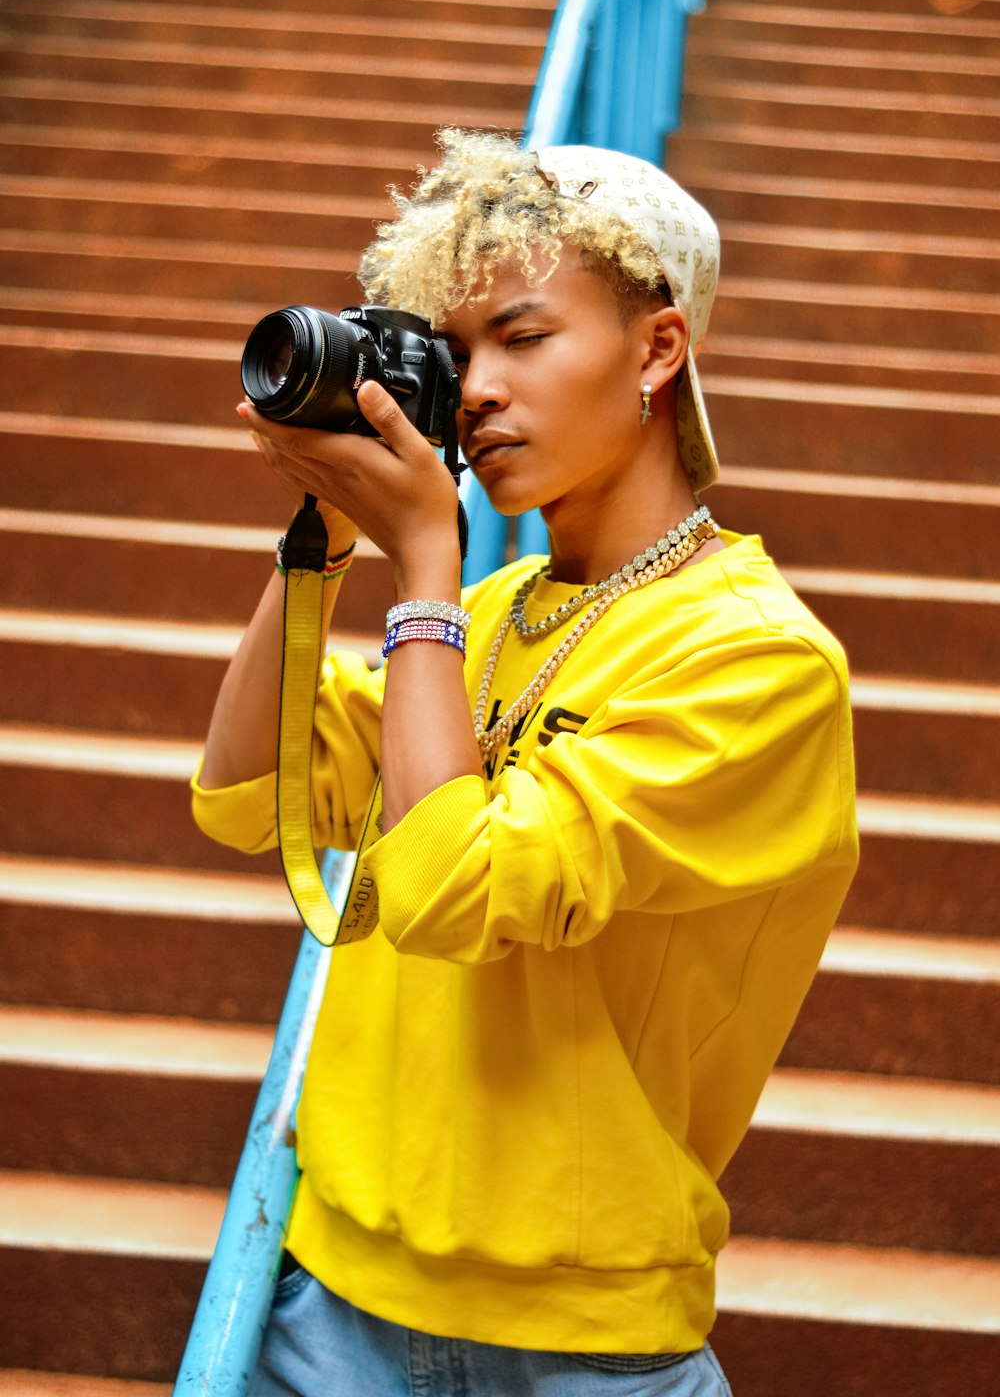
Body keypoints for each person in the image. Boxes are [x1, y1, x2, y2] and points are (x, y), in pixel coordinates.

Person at [192, 130, 858, 1396]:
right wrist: (326, 538)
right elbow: (245, 792)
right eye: (450, 358)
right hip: (331, 1305)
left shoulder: (760, 662)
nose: (478, 389)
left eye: (523, 336)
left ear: (658, 349)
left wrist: (424, 579)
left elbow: (455, 891)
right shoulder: (482, 613)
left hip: (586, 1348)